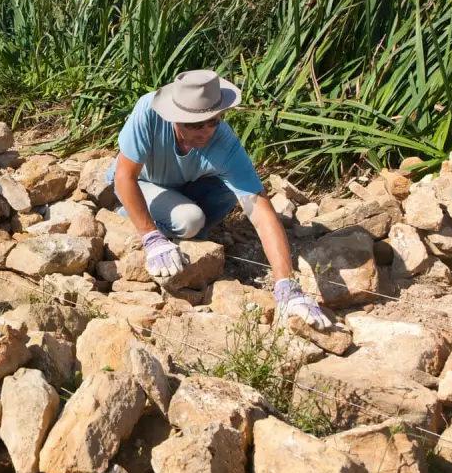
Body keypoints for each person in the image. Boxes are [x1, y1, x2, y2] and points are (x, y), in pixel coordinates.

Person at [107, 69, 331, 330]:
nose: (205, 132)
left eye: (212, 122)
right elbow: (125, 176)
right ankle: (132, 215)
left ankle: (182, 233)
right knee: (189, 220)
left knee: (228, 191)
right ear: (174, 117)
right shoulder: (149, 112)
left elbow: (261, 212)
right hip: (140, 183)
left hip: (181, 186)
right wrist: (150, 237)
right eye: (194, 125)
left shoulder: (225, 144)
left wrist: (287, 284)